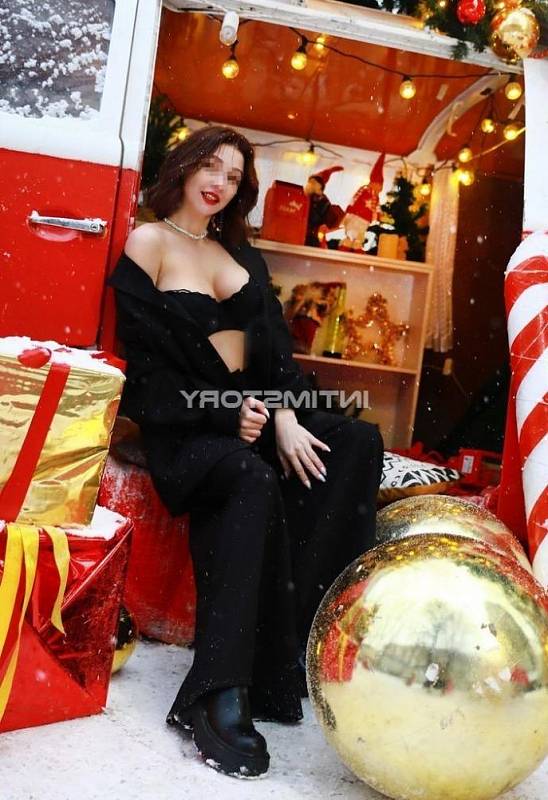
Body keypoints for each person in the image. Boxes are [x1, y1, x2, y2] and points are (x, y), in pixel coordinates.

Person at [108, 125, 384, 779]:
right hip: (191, 430)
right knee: (248, 477)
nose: (219, 183)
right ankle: (217, 689)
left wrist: (282, 414)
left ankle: (289, 652)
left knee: (356, 440)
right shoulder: (149, 242)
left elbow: (275, 357)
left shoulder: (242, 256)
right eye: (210, 166)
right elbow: (144, 380)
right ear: (184, 166)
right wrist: (228, 414)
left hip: (257, 411)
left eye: (233, 177)